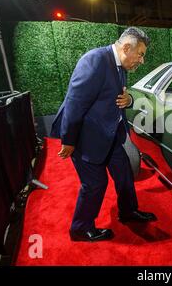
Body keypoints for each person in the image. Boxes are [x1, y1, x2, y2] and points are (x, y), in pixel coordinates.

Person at [50, 27, 156, 242]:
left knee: (125, 174)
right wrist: (69, 140)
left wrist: (130, 101)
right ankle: (80, 229)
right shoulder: (94, 60)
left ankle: (128, 212)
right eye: (141, 54)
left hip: (111, 133)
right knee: (95, 185)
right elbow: (74, 103)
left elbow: (120, 97)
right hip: (86, 137)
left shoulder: (121, 63)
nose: (142, 60)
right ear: (127, 47)